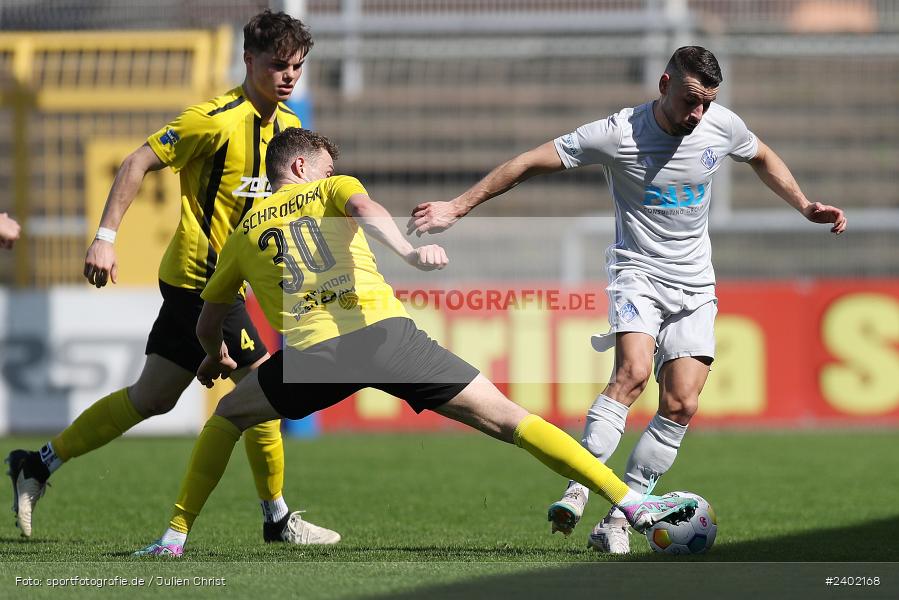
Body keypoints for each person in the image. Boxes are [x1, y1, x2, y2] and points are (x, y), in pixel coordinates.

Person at [132, 127, 697, 557]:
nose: (335, 170)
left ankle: (173, 538)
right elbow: (366, 209)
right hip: (383, 337)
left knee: (228, 415)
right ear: (302, 165)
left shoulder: (243, 233)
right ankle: (632, 503)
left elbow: (210, 319)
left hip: (314, 360)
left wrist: (214, 356)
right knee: (509, 419)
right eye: (327, 163)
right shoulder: (332, 187)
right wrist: (407, 252)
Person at [408, 46, 846, 554]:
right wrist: (456, 208)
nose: (697, 114)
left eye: (706, 103)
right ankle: (578, 484)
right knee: (633, 374)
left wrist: (805, 205)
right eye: (688, 100)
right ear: (664, 86)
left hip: (696, 283)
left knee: (681, 404)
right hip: (637, 272)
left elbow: (762, 155)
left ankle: (617, 520)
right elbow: (528, 163)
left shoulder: (720, 125)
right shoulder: (617, 133)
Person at [6, 10, 339, 545]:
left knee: (152, 396)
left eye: (297, 67)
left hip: (225, 282)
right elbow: (137, 160)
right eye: (278, 65)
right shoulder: (214, 119)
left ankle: (37, 463)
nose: (289, 76)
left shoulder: (289, 131)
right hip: (199, 279)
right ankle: (276, 518)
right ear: (248, 60)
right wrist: (106, 238)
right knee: (264, 385)